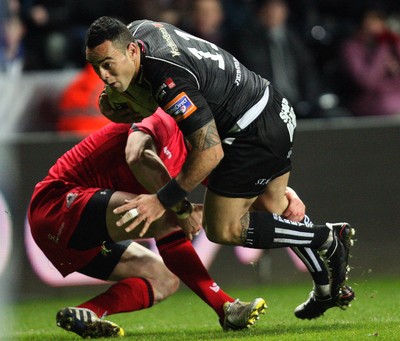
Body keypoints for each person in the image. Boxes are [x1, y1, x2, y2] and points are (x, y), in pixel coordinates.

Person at [84, 16, 356, 321]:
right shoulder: (140, 30)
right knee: (275, 205)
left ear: (132, 51)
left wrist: (161, 201)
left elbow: (210, 153)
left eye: (108, 64)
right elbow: (153, 98)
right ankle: (326, 289)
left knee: (223, 227)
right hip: (270, 104)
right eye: (96, 67)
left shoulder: (169, 80)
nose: (103, 76)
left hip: (250, 130)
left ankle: (326, 238)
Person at [28, 109, 267, 338]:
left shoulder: (198, 154)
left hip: (78, 238)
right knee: (165, 213)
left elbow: (239, 191)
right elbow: (138, 155)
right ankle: (225, 307)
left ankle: (89, 312)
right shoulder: (161, 117)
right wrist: (182, 210)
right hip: (58, 206)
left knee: (164, 279)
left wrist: (283, 196)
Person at [233, 0, 321, 118]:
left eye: (278, 8)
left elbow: (307, 72)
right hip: (265, 104)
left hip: (298, 102)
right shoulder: (247, 40)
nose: (273, 13)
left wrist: (309, 100)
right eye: (269, 8)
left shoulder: (293, 39)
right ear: (260, 11)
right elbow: (255, 72)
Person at [340, 7, 400, 117]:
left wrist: (395, 43)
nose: (377, 25)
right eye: (372, 20)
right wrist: (382, 48)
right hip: (370, 102)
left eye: (380, 19)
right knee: (389, 106)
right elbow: (367, 81)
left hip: (395, 97)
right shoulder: (352, 47)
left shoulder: (393, 44)